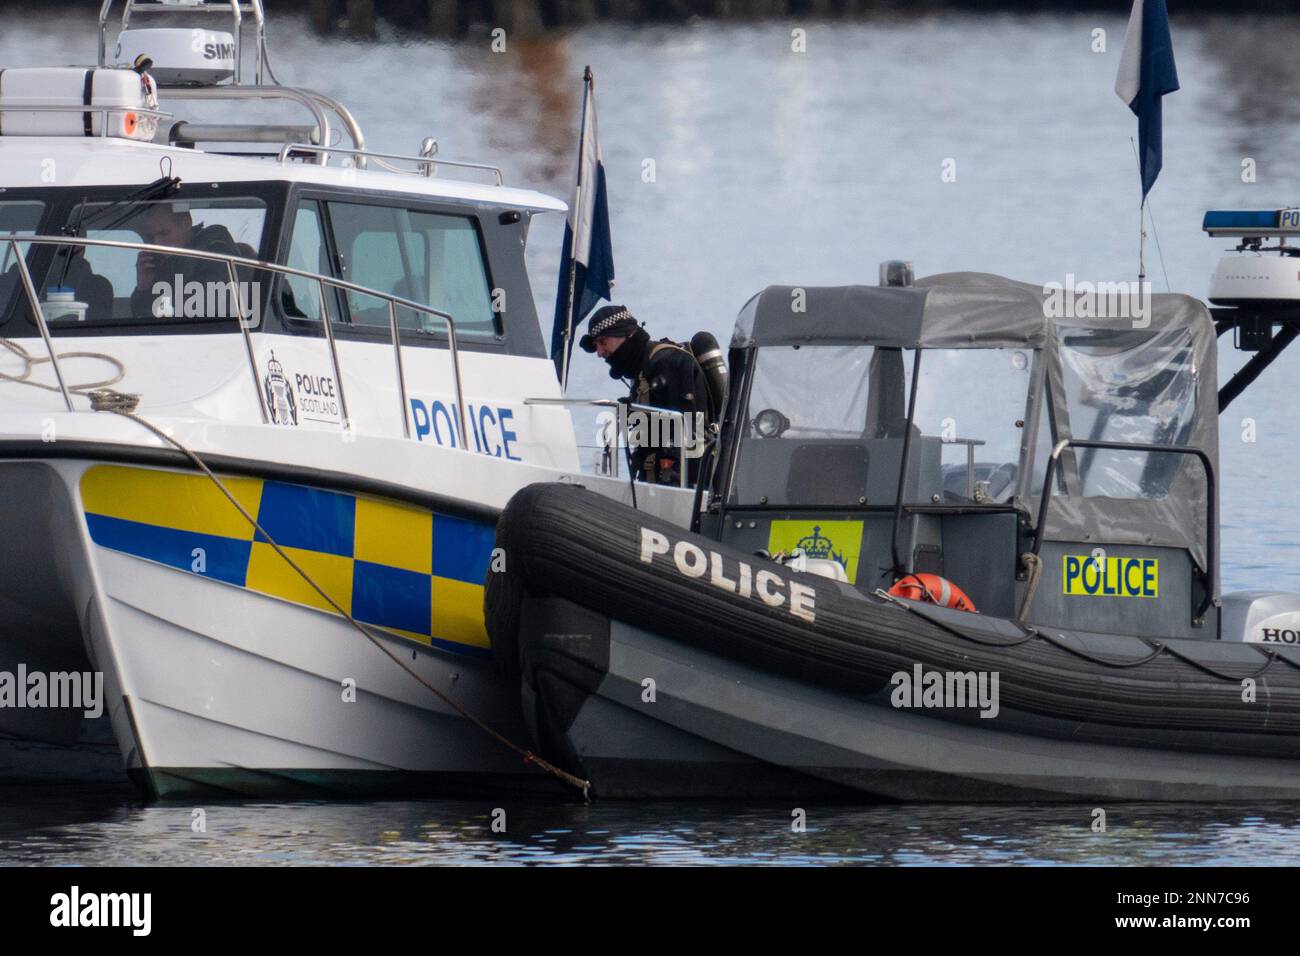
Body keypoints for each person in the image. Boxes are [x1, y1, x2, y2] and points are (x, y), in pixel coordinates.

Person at [580, 304, 711, 486]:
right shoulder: (643, 368)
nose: (600, 353)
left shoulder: (668, 362)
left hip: (683, 484)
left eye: (603, 342)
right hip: (654, 479)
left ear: (627, 335)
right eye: (596, 346)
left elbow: (687, 433)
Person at [129, 203, 243, 318]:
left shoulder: (217, 249)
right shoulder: (165, 263)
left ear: (186, 224)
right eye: (151, 237)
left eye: (164, 233)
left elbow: (205, 301)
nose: (157, 242)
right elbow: (142, 318)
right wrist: (144, 286)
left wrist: (163, 296)